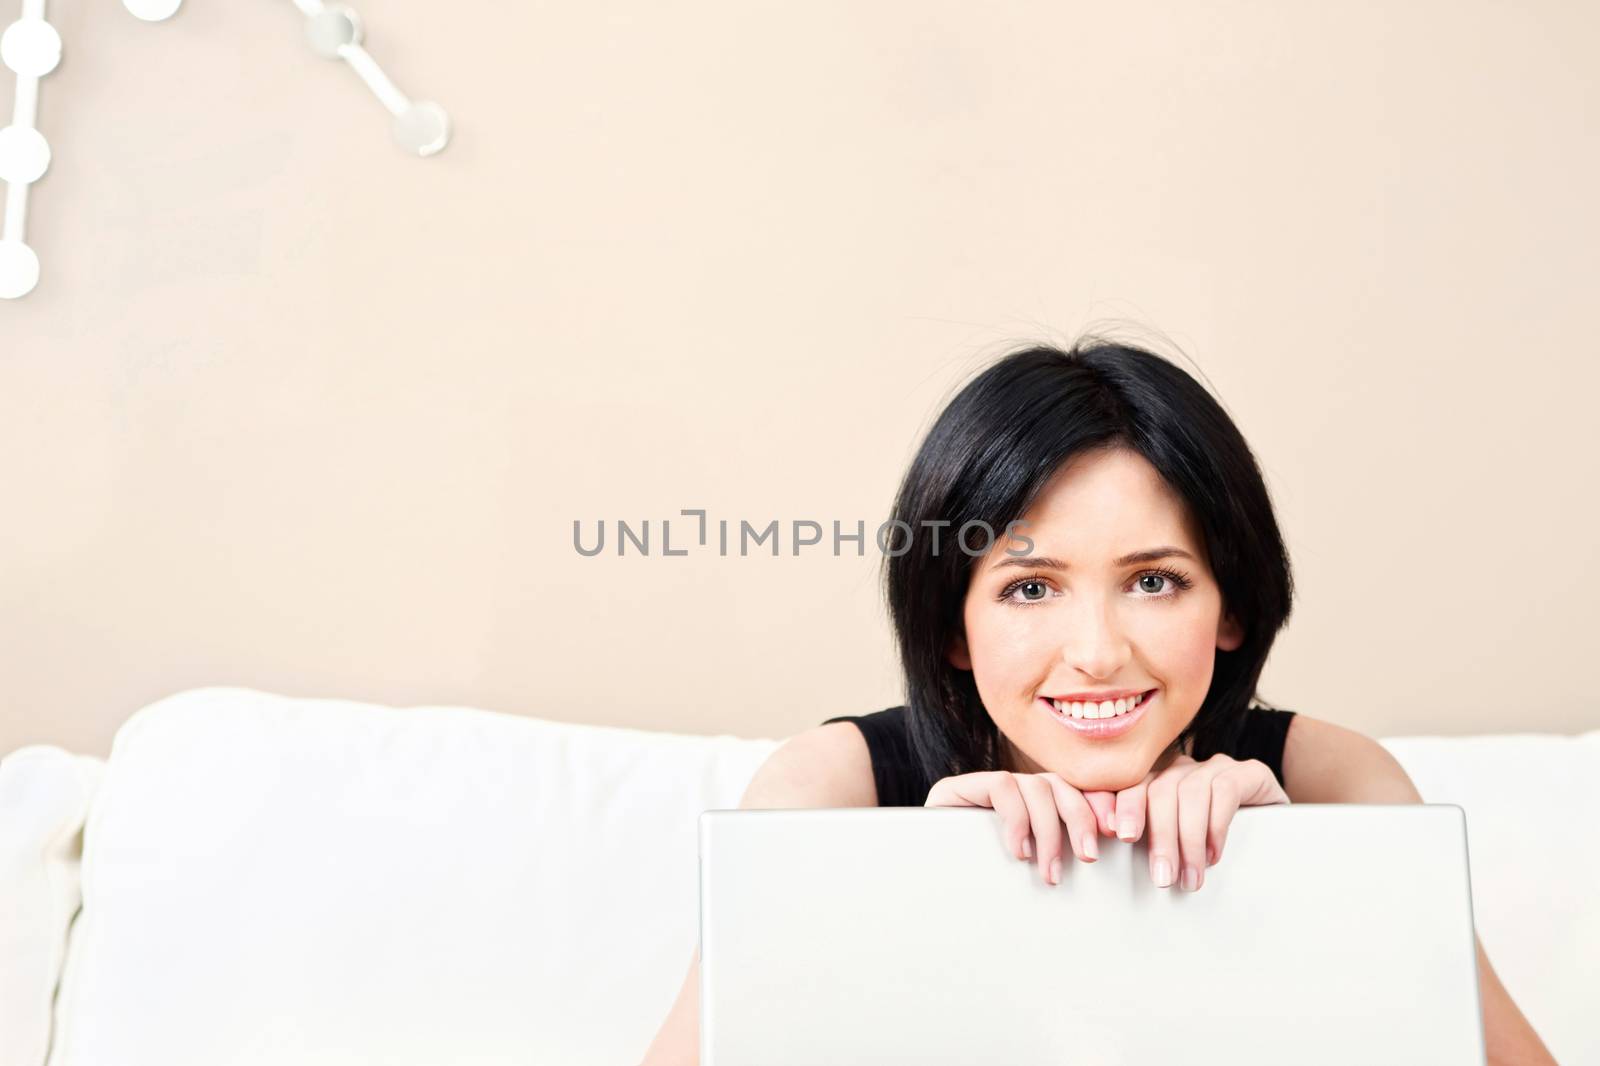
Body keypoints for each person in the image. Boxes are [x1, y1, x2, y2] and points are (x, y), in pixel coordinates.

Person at [639, 338, 1557, 1065]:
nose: (1097, 654)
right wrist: (917, 876)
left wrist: (1299, 872)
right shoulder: (826, 790)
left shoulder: (1332, 781)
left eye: (1154, 581)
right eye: (1030, 589)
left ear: (1230, 604)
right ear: (953, 624)